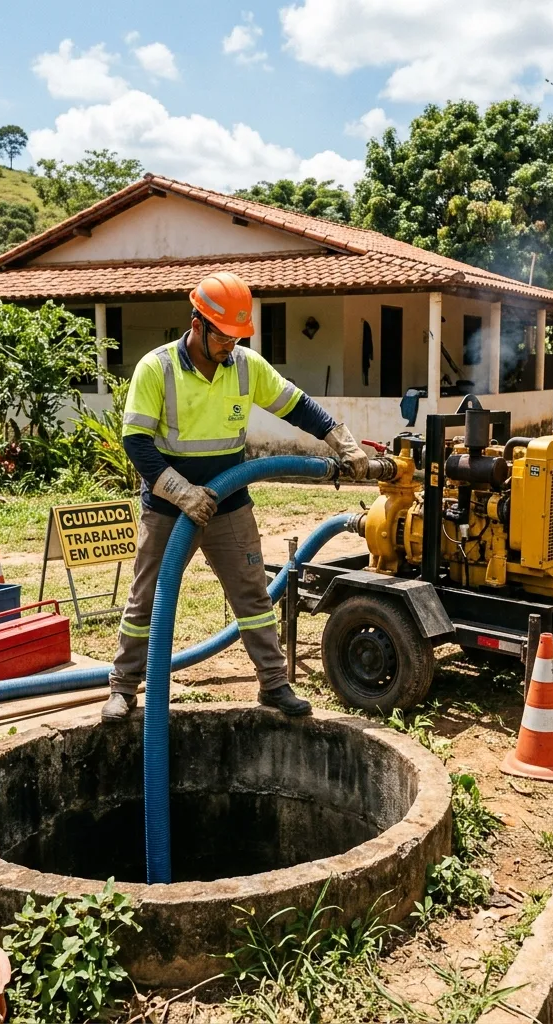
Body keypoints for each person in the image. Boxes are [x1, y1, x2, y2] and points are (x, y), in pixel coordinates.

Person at [102, 271, 370, 721]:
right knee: (146, 598)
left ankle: (273, 683)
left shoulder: (245, 365)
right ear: (198, 324)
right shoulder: (158, 367)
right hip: (170, 507)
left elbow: (296, 404)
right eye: (224, 336)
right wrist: (181, 492)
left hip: (229, 506)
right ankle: (123, 688)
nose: (231, 345)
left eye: (237, 337)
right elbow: (136, 443)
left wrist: (339, 438)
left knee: (252, 597)